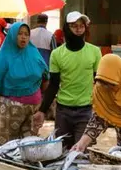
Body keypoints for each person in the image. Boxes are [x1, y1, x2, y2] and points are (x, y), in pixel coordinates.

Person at [33, 12, 101, 149]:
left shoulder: (94, 51)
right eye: (74, 26)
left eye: (81, 26)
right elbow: (53, 85)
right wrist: (42, 110)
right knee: (60, 150)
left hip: (86, 110)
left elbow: (99, 83)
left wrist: (101, 110)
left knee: (81, 152)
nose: (78, 29)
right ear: (66, 28)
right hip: (63, 111)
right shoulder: (57, 54)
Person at [0, 22, 48, 144]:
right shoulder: (4, 56)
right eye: (20, 34)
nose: (23, 37)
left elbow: (46, 76)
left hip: (33, 109)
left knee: (29, 147)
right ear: (13, 36)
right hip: (9, 110)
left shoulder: (34, 53)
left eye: (26, 34)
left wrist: (44, 102)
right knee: (7, 147)